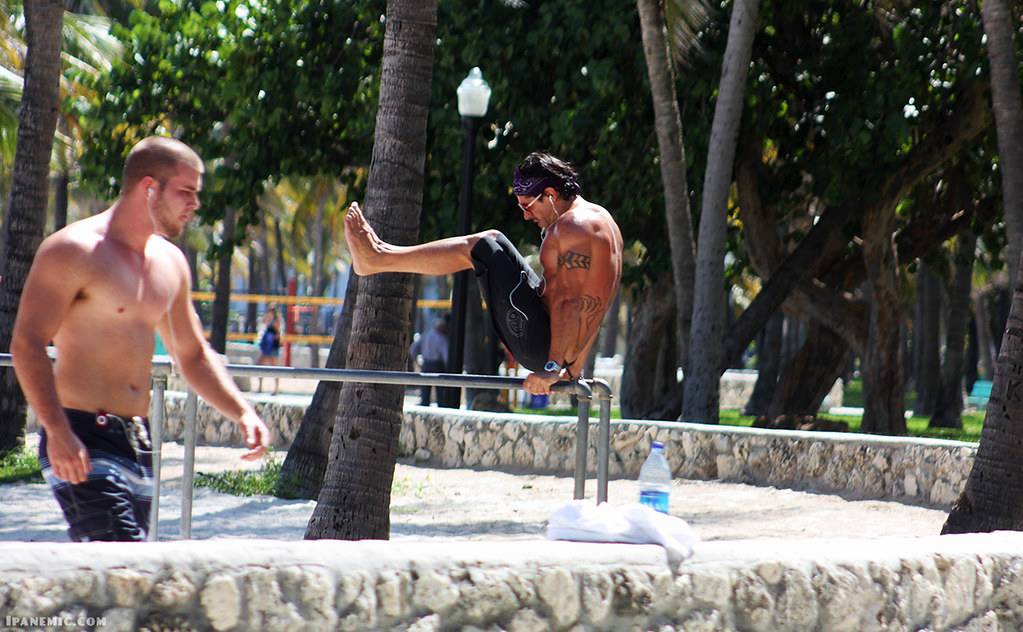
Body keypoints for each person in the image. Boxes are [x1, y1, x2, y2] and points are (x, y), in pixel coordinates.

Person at [12, 136, 271, 542]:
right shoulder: (73, 251)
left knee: (123, 579)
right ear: (149, 188)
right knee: (122, 566)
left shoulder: (170, 263)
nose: (195, 204)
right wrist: (57, 430)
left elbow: (192, 354)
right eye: (185, 191)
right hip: (81, 432)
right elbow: (27, 343)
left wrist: (242, 412)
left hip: (139, 440)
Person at [344, 151, 623, 395]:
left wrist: (551, 368)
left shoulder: (570, 229)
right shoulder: (604, 223)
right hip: (559, 349)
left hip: (542, 346)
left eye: (528, 205)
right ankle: (380, 252)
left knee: (482, 248)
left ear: (550, 195)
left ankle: (377, 258)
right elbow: (595, 306)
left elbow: (570, 303)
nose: (526, 215)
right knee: (494, 240)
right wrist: (573, 368)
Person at [410, 314, 450, 405]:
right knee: (440, 393)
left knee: (425, 393)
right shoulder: (442, 338)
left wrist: (417, 361)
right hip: (438, 365)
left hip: (426, 364)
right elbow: (446, 355)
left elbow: (413, 349)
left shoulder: (425, 335)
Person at [256, 306, 282, 394]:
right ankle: (260, 387)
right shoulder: (268, 320)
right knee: (260, 366)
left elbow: (278, 334)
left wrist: (271, 338)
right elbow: (263, 323)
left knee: (275, 369)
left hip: (273, 347)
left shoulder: (276, 322)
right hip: (267, 347)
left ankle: (276, 389)